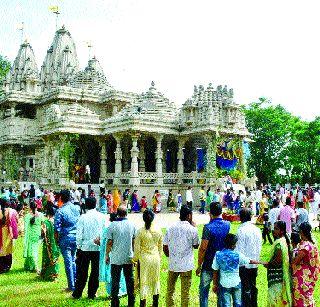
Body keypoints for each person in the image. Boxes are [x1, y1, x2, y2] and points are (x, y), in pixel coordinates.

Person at [212, 234, 263, 307]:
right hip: (236, 282)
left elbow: (215, 270)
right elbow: (250, 261)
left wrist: (214, 284)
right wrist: (262, 262)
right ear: (233, 245)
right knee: (238, 303)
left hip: (224, 283)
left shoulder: (218, 254)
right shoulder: (237, 254)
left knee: (226, 304)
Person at [163, 205, 199, 307]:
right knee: (185, 293)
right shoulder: (192, 229)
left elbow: (165, 247)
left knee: (170, 291)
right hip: (186, 265)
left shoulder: (170, 227)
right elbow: (196, 246)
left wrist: (171, 257)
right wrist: (194, 227)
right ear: (189, 215)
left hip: (173, 264)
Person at [196, 202, 230, 307]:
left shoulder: (207, 227)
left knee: (204, 290)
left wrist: (199, 265)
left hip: (208, 263)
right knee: (221, 290)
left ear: (210, 213)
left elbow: (203, 248)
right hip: (221, 263)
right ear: (221, 212)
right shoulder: (227, 225)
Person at [73, 197, 106, 299]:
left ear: (86, 205)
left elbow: (79, 234)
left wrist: (78, 247)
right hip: (97, 247)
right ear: (96, 204)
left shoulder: (83, 217)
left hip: (85, 248)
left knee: (82, 272)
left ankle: (78, 293)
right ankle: (92, 293)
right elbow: (105, 232)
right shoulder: (102, 216)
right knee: (95, 272)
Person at [106, 205, 136, 307]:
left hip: (115, 258)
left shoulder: (112, 225)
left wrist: (107, 255)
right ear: (126, 213)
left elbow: (109, 242)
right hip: (128, 257)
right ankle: (131, 302)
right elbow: (134, 242)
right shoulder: (132, 225)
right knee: (130, 280)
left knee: (115, 281)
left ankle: (115, 303)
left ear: (117, 213)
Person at [133, 209, 162, 307]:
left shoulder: (140, 231)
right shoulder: (158, 230)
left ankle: (143, 304)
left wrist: (134, 260)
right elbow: (160, 248)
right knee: (155, 280)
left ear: (143, 219)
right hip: (155, 258)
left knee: (143, 281)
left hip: (144, 259)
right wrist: (159, 258)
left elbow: (136, 249)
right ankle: (155, 303)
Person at [235, 208, 262, 307]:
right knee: (253, 287)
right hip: (254, 262)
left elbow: (239, 250)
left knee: (245, 289)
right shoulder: (257, 229)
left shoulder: (241, 230)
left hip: (244, 264)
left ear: (240, 218)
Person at [54, 189, 80, 292]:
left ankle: (71, 286)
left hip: (65, 238)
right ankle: (74, 283)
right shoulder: (76, 208)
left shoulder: (60, 211)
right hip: (76, 238)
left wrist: (56, 240)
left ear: (61, 198)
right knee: (73, 261)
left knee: (69, 262)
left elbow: (56, 228)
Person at [264, 221, 292, 307]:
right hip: (282, 276)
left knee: (275, 301)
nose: (273, 230)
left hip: (277, 278)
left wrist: (267, 264)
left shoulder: (279, 244)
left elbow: (277, 261)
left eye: (276, 229)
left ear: (282, 231)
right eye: (274, 228)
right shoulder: (285, 241)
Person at [98, 213, 127, 297]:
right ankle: (122, 291)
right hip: (119, 253)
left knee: (110, 273)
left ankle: (112, 292)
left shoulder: (107, 229)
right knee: (120, 273)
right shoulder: (122, 228)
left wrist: (106, 255)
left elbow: (105, 243)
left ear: (109, 219)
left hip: (110, 254)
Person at [292, 222, 320, 306]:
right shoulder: (313, 244)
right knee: (307, 298)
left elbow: (295, 262)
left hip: (301, 278)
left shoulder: (304, 247)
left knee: (300, 299)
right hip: (310, 276)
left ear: (301, 232)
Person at [40, 204, 59, 281]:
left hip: (47, 244)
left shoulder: (45, 223)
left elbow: (41, 233)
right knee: (54, 258)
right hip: (56, 244)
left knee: (46, 258)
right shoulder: (57, 222)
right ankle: (54, 275)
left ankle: (45, 274)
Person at [24, 201, 44, 272]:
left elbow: (26, 226)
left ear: (30, 207)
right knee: (35, 250)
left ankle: (33, 266)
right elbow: (43, 225)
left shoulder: (27, 216)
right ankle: (30, 265)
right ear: (36, 207)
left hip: (30, 234)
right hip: (37, 234)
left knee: (30, 250)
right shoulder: (41, 215)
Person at [0, 199, 18, 273]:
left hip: (1, 232)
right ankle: (7, 266)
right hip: (8, 233)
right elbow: (16, 220)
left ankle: (1, 266)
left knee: (1, 249)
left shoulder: (0, 212)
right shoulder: (12, 211)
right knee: (8, 249)